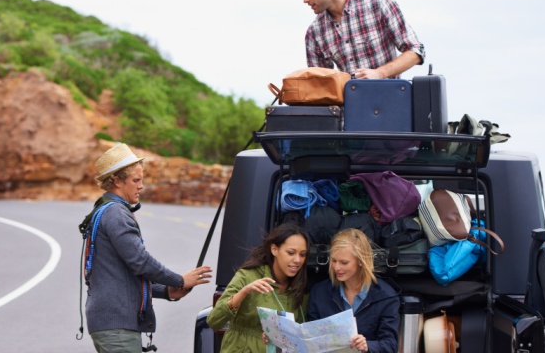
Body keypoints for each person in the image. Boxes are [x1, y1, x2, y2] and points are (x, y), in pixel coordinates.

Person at [80, 143, 213, 353]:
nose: (141, 186)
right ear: (116, 180)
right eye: (136, 180)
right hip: (117, 326)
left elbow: (126, 275)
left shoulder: (108, 209)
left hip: (114, 324)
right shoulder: (116, 213)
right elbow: (140, 261)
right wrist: (179, 280)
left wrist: (166, 291)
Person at [290, 0, 425, 79]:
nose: (305, 0)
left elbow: (415, 51)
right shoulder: (314, 33)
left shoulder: (378, 4)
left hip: (390, 101)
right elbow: (320, 84)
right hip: (349, 105)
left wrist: (380, 73)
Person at [207, 221, 310, 352]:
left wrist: (277, 338)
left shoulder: (300, 287)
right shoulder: (247, 276)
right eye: (291, 253)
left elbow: (299, 338)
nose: (297, 260)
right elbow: (214, 321)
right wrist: (244, 292)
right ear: (274, 250)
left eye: (302, 254)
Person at [306, 228, 401, 352]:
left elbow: (391, 345)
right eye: (334, 261)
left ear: (361, 261)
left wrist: (367, 346)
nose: (336, 267)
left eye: (344, 262)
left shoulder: (386, 297)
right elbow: (310, 337)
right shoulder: (319, 292)